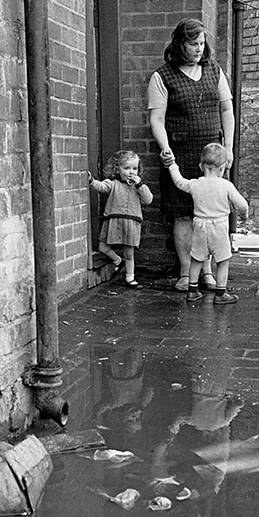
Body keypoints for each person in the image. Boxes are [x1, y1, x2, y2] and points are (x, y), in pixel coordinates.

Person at [148, 18, 235, 292]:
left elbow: (226, 111)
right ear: (180, 44)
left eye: (201, 43)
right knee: (183, 215)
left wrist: (228, 148)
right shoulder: (162, 77)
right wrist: (165, 149)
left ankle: (207, 271)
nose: (199, 49)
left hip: (211, 156)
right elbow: (157, 119)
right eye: (192, 43)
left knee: (210, 216)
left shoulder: (214, 71)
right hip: (180, 154)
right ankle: (187, 273)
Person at [168, 143, 249, 305]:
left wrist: (172, 165)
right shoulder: (226, 185)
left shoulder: (195, 184)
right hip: (218, 227)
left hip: (199, 226)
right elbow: (242, 205)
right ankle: (220, 293)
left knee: (196, 259)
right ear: (223, 167)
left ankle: (192, 291)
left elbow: (178, 181)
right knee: (222, 260)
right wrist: (244, 216)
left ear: (200, 166)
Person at [88, 149, 153, 289]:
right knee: (103, 247)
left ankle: (130, 278)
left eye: (135, 168)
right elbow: (101, 187)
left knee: (129, 253)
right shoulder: (113, 184)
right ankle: (118, 261)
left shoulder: (139, 187)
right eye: (127, 168)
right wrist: (91, 181)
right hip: (114, 220)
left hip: (131, 222)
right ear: (118, 170)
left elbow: (148, 200)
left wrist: (140, 184)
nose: (131, 172)